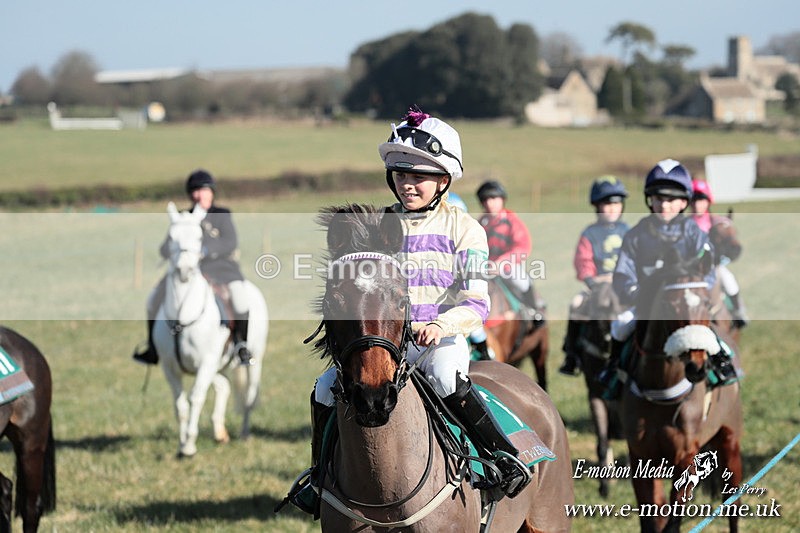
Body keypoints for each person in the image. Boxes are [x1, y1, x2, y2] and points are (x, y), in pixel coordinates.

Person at [294, 110, 532, 510]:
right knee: (323, 389)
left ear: (444, 179)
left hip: (437, 341)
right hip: (386, 343)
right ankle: (319, 478)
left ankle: (499, 458)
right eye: (401, 176)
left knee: (444, 378)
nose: (407, 185)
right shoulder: (381, 225)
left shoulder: (466, 229)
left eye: (418, 176)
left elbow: (477, 300)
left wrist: (441, 325)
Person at [601, 159, 738, 395]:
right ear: (650, 200)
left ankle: (722, 365)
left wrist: (698, 292)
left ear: (684, 202)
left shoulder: (694, 233)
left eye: (672, 199)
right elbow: (623, 272)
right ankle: (615, 370)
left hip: (685, 304)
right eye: (659, 198)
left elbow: (708, 270)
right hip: (647, 304)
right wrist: (632, 291)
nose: (665, 205)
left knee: (709, 330)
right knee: (620, 325)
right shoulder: (636, 235)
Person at [132, 169, 254, 366]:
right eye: (194, 191)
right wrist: (172, 250)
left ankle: (241, 345)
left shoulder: (222, 215)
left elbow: (230, 242)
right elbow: (165, 247)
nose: (198, 195)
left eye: (203, 190)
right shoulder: (182, 217)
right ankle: (153, 348)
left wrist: (205, 250)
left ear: (211, 192)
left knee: (240, 300)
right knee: (152, 300)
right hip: (186, 272)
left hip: (222, 270)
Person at [559, 176, 630, 376]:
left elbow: (634, 258)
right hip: (597, 285)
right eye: (607, 203)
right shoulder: (589, 233)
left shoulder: (628, 231)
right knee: (575, 304)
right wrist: (590, 279)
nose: (612, 208)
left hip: (623, 284)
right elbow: (583, 260)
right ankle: (571, 355)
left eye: (616, 203)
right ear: (597, 206)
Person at [470, 180, 543, 360]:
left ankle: (534, 310)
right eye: (485, 200)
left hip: (508, 266)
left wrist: (501, 263)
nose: (489, 203)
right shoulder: (481, 223)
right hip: (486, 267)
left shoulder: (512, 221)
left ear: (502, 200)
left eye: (494, 198)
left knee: (521, 280)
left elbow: (522, 246)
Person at [690, 179, 748, 327]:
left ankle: (738, 310)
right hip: (692, 268)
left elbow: (730, 239)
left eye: (701, 200)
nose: (697, 204)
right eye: (694, 200)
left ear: (708, 202)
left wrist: (725, 256)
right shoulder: (686, 224)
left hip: (714, 265)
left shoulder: (716, 222)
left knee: (729, 281)